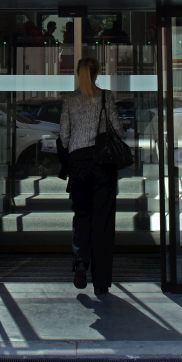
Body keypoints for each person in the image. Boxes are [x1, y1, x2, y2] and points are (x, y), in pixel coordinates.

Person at [58, 56, 123, 296]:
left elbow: (64, 135)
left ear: (78, 74)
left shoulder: (69, 100)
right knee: (102, 221)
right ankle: (101, 282)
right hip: (102, 164)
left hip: (79, 164)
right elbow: (117, 130)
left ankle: (80, 263)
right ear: (96, 74)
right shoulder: (106, 97)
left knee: (82, 215)